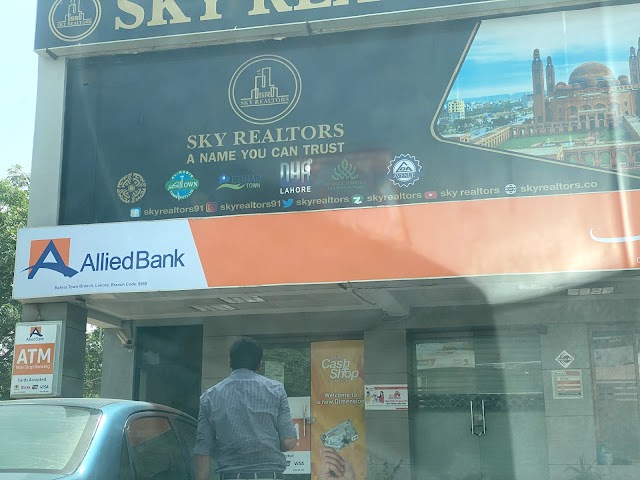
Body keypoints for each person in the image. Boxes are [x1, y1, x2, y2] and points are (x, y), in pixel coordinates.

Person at [195, 337, 298, 480]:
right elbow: (289, 441)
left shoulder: (209, 397)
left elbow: (203, 448)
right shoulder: (276, 390)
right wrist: (267, 443)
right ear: (259, 363)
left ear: (230, 362)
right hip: (269, 475)